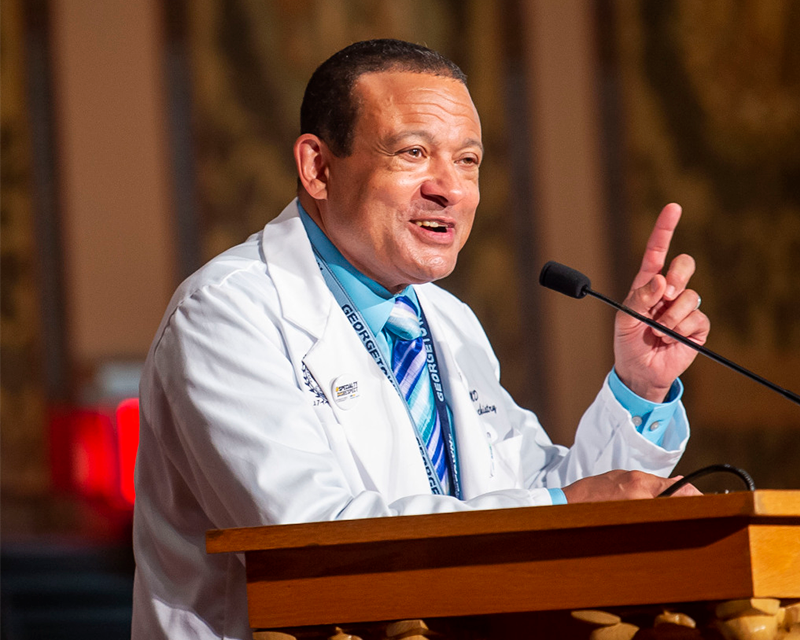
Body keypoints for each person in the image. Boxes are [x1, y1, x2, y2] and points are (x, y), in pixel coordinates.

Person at [131, 39, 710, 640]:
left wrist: (640, 387)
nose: (450, 189)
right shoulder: (227, 313)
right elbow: (307, 534)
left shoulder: (445, 319)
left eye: (468, 161)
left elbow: (542, 491)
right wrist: (564, 508)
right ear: (317, 168)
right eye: (413, 153)